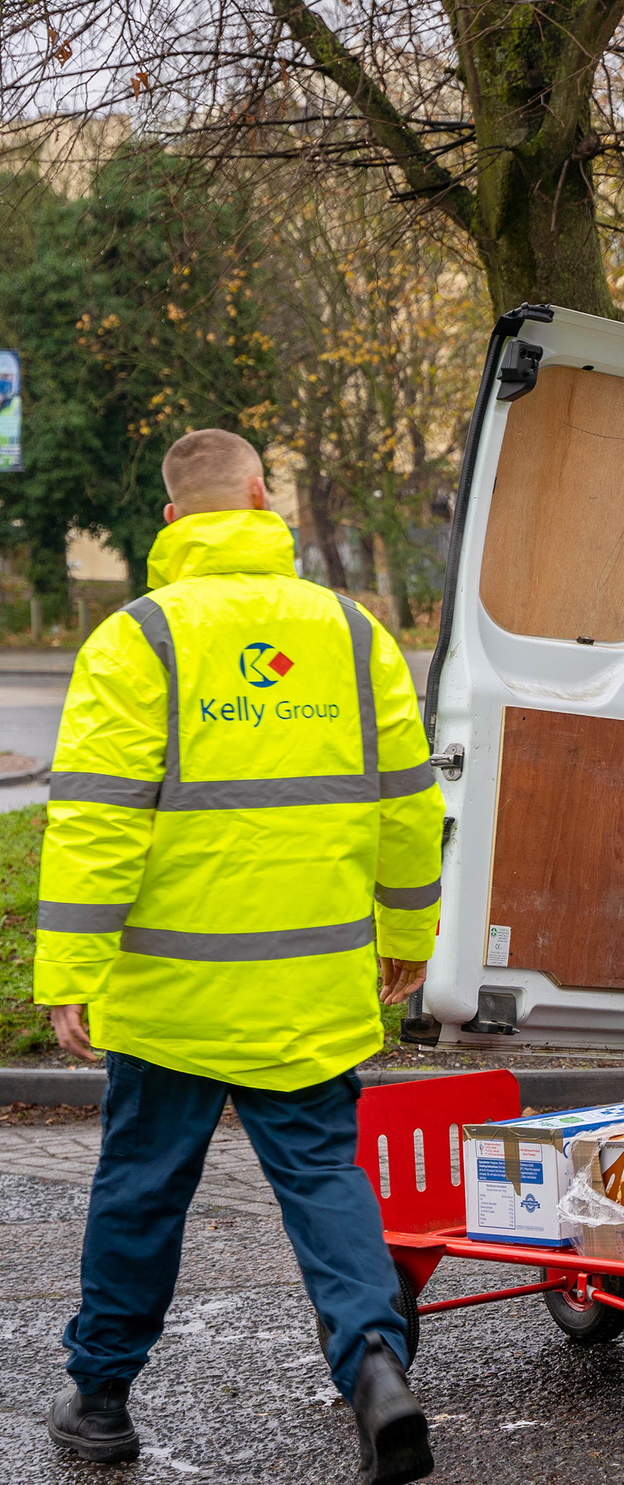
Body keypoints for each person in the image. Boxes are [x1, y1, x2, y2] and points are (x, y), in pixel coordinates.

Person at [35, 430, 443, 1484]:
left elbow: (97, 821)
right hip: (308, 980)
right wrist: (408, 930)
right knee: (322, 1177)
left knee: (140, 1187)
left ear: (174, 519)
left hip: (172, 992)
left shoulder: (140, 638)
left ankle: (102, 1398)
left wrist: (69, 970)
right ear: (262, 498)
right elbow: (408, 801)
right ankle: (374, 1367)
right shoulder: (352, 632)